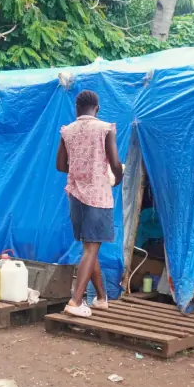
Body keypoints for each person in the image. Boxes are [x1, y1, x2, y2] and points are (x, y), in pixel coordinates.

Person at [56, 89, 122, 318]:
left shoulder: (67, 131)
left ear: (77, 109)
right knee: (91, 248)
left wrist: (79, 170)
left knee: (88, 248)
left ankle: (102, 298)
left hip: (75, 195)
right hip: (98, 195)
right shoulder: (105, 129)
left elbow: (60, 165)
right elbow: (114, 162)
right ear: (98, 109)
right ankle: (75, 302)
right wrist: (118, 177)